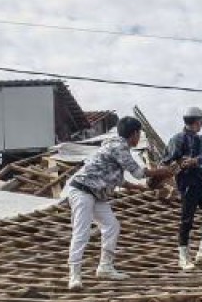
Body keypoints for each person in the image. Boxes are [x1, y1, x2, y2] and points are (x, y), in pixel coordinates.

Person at [65, 116, 172, 290]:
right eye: (140, 134)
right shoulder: (119, 146)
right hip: (82, 190)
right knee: (81, 232)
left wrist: (139, 189)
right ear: (134, 133)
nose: (140, 138)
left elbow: (119, 180)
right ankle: (74, 276)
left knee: (112, 225)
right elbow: (138, 172)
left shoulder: (116, 147)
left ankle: (105, 267)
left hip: (97, 194)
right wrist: (163, 171)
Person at [163, 107, 202, 270]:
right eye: (200, 122)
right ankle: (183, 258)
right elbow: (166, 160)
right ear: (196, 122)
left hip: (201, 182)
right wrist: (180, 162)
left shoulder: (199, 139)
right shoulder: (177, 139)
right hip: (187, 182)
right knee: (187, 220)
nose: (201, 124)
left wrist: (194, 161)